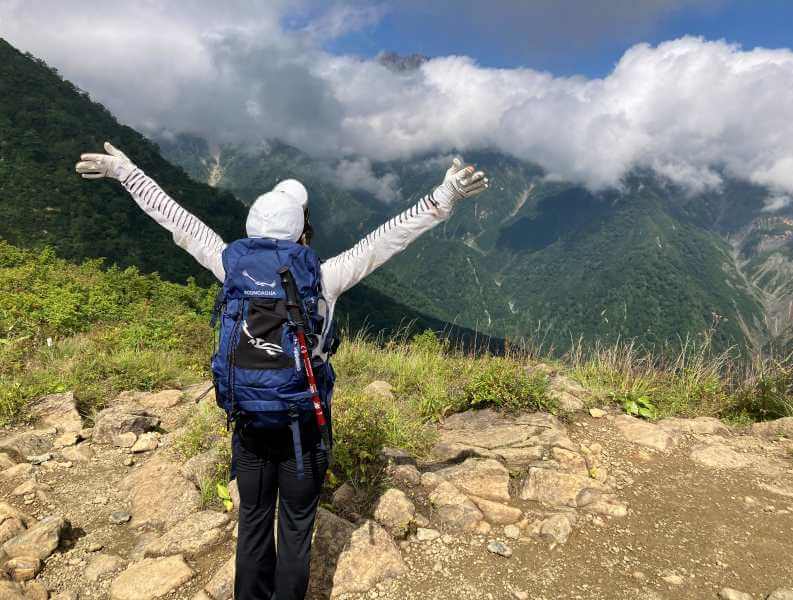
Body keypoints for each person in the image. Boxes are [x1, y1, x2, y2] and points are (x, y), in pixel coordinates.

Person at [75, 142, 489, 599]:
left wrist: (127, 173)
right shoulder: (325, 278)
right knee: (295, 530)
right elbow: (388, 238)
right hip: (304, 427)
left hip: (249, 424)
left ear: (252, 229)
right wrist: (444, 196)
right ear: (300, 233)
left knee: (252, 525)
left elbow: (178, 220)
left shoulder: (229, 264)